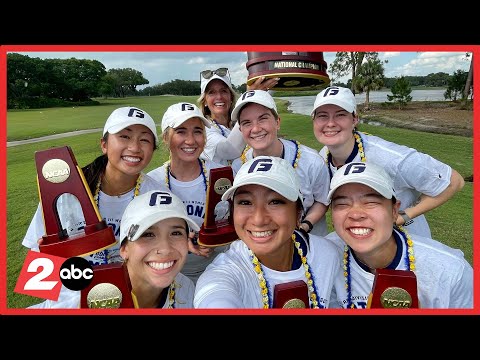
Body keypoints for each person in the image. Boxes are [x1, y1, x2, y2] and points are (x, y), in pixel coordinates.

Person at [311, 85, 465, 238]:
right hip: (361, 247)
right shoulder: (322, 156)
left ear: (355, 119)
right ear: (314, 121)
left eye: (340, 115)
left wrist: (402, 216)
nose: (330, 123)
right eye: (322, 116)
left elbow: (453, 181)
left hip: (408, 247)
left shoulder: (390, 158)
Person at [22, 106, 166, 265]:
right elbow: (38, 259)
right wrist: (74, 290)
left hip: (132, 288)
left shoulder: (159, 197)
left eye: (144, 140)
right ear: (104, 145)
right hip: (74, 287)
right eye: (124, 136)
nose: (134, 148)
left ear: (153, 149)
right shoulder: (66, 191)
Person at [194, 156, 342, 308]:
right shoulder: (225, 273)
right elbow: (214, 296)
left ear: (298, 214)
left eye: (275, 202)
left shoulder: (328, 255)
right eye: (245, 202)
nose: (259, 220)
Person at [325, 161, 473, 309]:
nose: (356, 214)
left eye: (371, 202)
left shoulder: (450, 272)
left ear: (394, 211)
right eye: (342, 204)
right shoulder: (321, 258)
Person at [28, 190, 196, 308]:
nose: (165, 249)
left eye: (176, 232)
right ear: (124, 249)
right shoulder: (81, 297)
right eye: (147, 234)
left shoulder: (188, 289)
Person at [147, 102, 229, 284]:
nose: (191, 141)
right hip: (170, 273)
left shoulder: (222, 175)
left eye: (198, 131)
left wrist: (216, 241)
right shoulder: (151, 183)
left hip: (220, 268)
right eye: (181, 131)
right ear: (166, 137)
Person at [230, 89, 331, 236]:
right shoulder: (238, 167)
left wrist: (305, 225)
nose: (256, 128)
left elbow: (322, 200)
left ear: (277, 122)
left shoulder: (311, 161)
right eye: (247, 123)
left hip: (311, 244)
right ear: (240, 129)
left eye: (263, 119)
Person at [197, 67, 278, 165]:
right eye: (211, 93)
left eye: (224, 91)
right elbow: (228, 150)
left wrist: (273, 78)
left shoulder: (234, 124)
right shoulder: (202, 128)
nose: (219, 97)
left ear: (231, 97)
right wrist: (249, 97)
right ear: (204, 101)